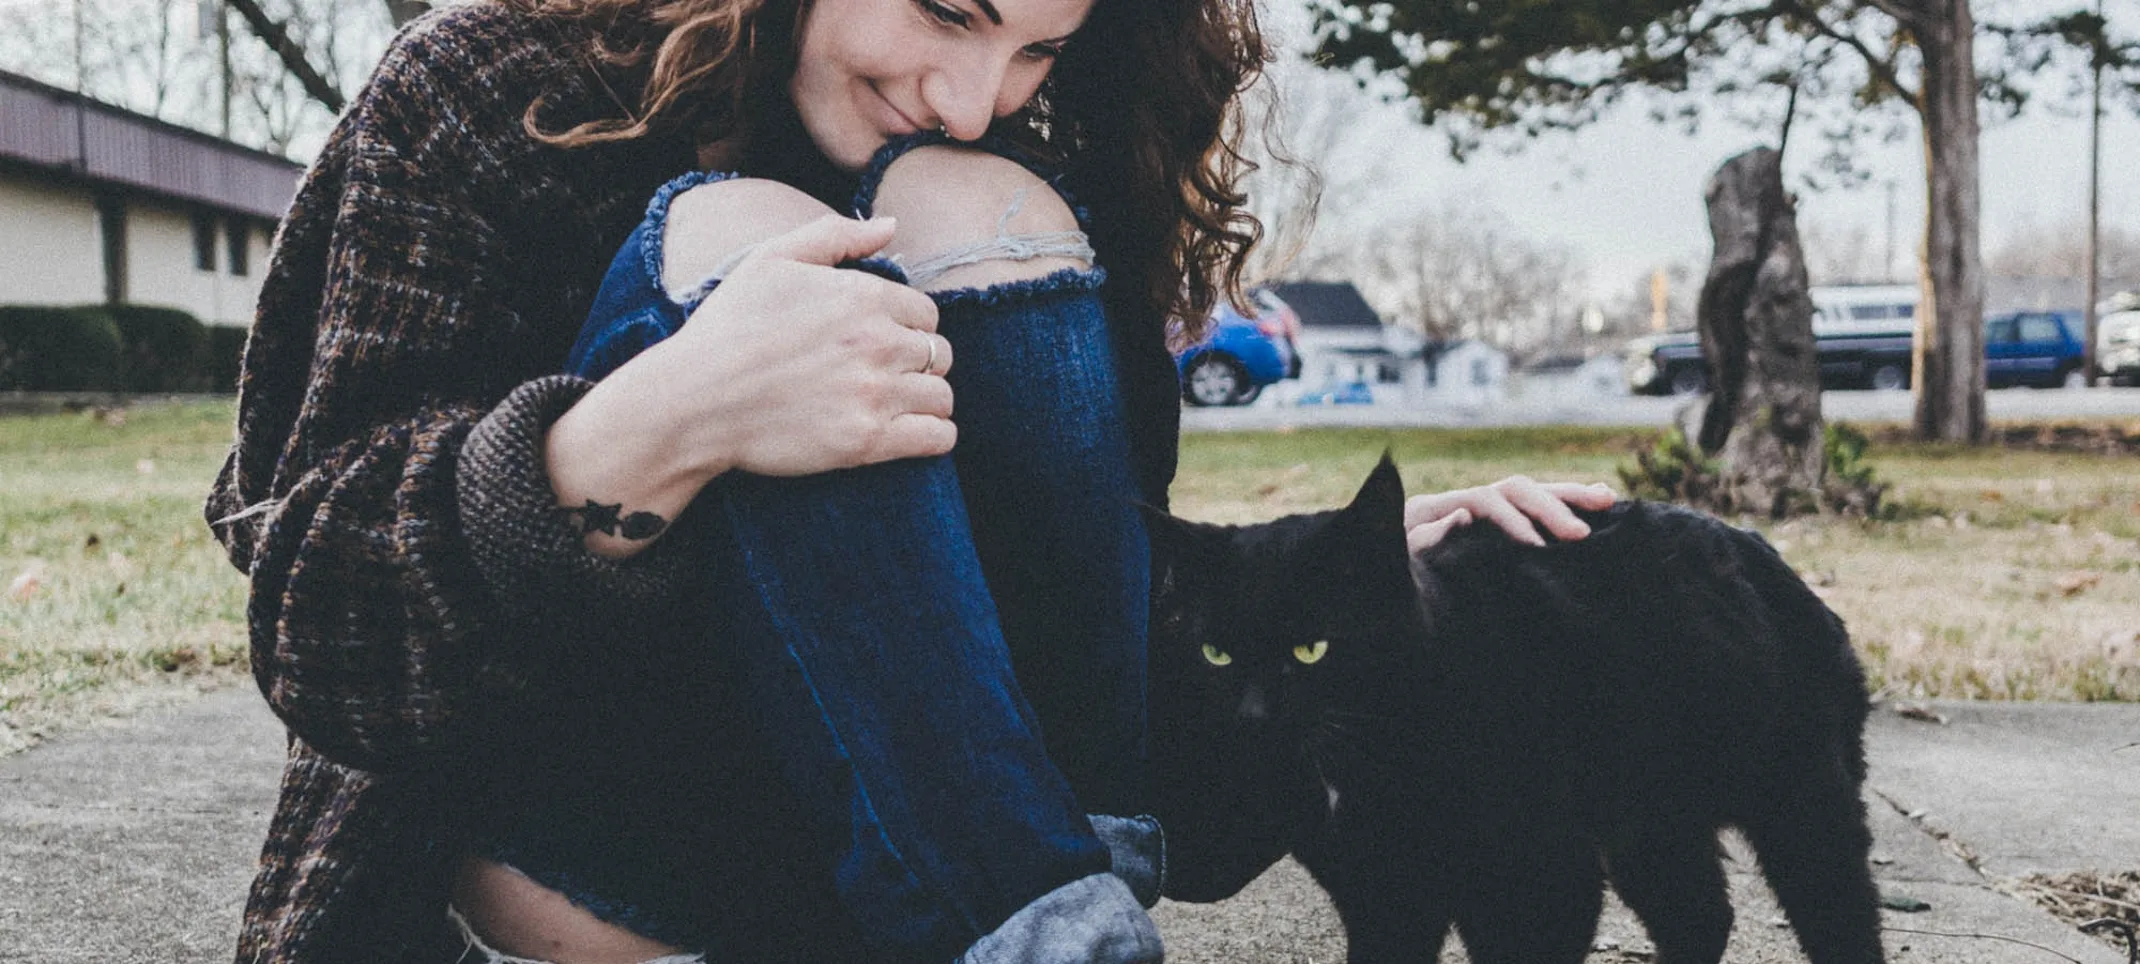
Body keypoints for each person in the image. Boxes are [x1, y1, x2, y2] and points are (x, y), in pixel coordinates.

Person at [205, 1, 1616, 962]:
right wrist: (666, 419)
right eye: (946, 4)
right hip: (605, 849)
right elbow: (324, 632)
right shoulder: (497, 84)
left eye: (1037, 46)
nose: (969, 92)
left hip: (957, 842)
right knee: (746, 230)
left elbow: (1079, 647)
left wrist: (1339, 577)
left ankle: (1049, 922)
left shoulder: (1026, 165)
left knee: (960, 203)